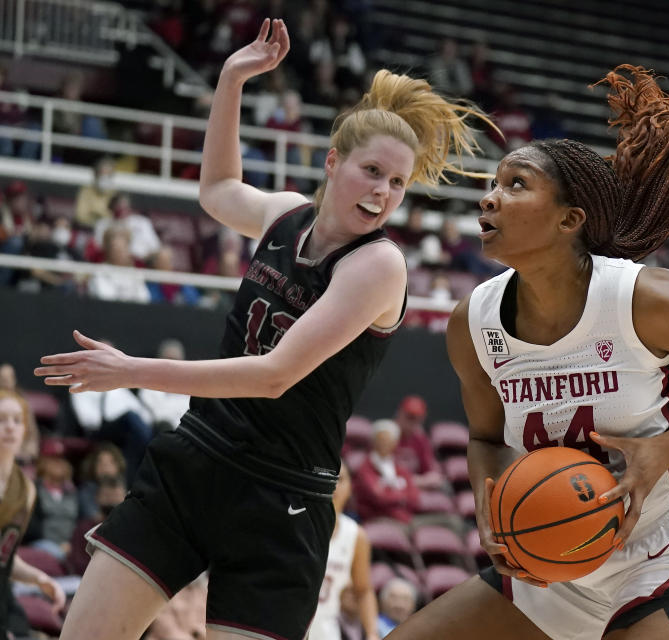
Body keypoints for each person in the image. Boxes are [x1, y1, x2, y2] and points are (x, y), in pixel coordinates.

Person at [35, 17, 491, 640]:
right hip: (198, 458)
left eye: (397, 183)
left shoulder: (379, 266)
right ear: (333, 162)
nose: (383, 192)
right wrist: (230, 80)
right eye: (372, 171)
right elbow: (219, 189)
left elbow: (274, 377)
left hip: (284, 499)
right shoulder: (286, 215)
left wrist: (130, 370)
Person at [390, 65, 669, 640]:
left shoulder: (644, 297)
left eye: (516, 185)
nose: (491, 198)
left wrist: (662, 451)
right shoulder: (471, 322)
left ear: (570, 220)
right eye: (494, 184)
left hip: (664, 542)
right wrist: (487, 501)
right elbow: (485, 439)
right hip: (551, 553)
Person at [0, 390, 67, 634]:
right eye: (2, 419)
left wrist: (39, 579)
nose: (10, 427)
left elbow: (5, 558)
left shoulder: (26, 489)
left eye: (17, 420)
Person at [308, 464, 379, 640]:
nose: (334, 485)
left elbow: (363, 591)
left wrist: (372, 633)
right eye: (329, 477)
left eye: (341, 479)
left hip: (326, 630)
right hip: (287, 624)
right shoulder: (296, 522)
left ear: (350, 488)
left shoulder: (356, 535)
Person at [353, 419, 420, 522]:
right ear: (374, 442)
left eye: (388, 441)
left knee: (449, 521)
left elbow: (414, 499)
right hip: (378, 518)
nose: (384, 444)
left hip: (405, 517)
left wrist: (391, 494)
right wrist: (402, 497)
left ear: (395, 443)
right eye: (381, 440)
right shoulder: (365, 469)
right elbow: (378, 498)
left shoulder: (399, 467)